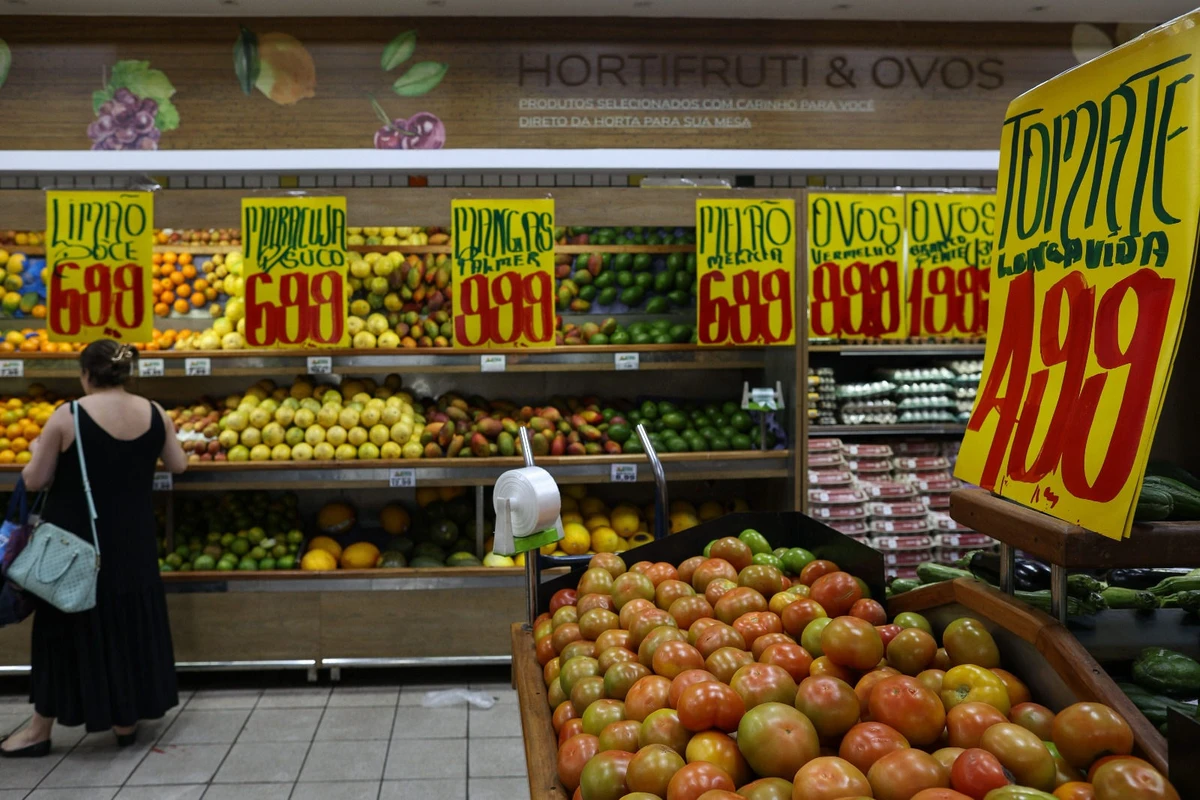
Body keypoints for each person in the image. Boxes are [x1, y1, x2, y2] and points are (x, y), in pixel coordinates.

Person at [1, 339, 187, 757]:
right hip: (135, 542)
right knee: (129, 625)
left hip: (77, 546)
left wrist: (36, 450)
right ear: (127, 374)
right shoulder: (156, 413)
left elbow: (34, 480)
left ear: (85, 374)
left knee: (64, 630)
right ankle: (125, 721)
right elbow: (178, 464)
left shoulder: (67, 417)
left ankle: (38, 731)